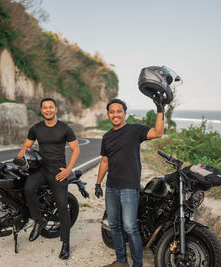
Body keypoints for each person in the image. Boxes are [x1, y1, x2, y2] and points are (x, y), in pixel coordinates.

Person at [95, 98, 165, 267]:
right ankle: (121, 261)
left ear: (125, 114)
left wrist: (160, 108)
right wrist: (98, 183)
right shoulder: (107, 137)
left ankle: (137, 264)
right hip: (111, 187)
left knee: (130, 227)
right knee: (114, 225)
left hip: (129, 188)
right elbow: (105, 161)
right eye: (112, 112)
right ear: (108, 115)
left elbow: (158, 132)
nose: (115, 115)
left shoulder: (135, 130)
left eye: (119, 111)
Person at [17, 97, 80, 260]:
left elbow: (75, 150)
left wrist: (68, 170)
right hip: (41, 169)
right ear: (41, 110)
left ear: (56, 109)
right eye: (45, 107)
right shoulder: (36, 129)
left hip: (58, 171)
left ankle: (65, 244)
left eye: (50, 107)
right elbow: (27, 146)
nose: (48, 110)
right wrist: (19, 156)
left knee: (62, 208)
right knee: (28, 189)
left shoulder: (65, 128)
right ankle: (39, 220)